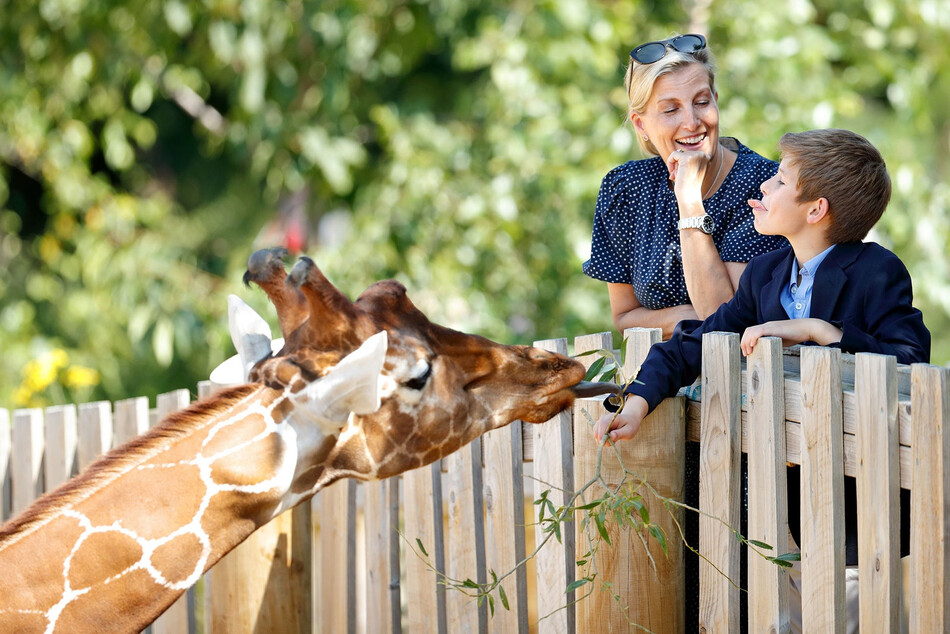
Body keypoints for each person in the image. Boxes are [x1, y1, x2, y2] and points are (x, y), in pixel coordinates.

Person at [594, 128, 931, 632]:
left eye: (777, 181)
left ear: (815, 210)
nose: (762, 189)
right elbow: (698, 342)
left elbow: (910, 361)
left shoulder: (877, 271)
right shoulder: (765, 275)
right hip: (792, 503)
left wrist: (822, 332)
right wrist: (640, 399)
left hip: (867, 514)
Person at [583, 33, 788, 340]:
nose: (691, 122)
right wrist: (684, 315)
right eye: (670, 109)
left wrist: (689, 200)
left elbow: (724, 322)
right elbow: (625, 317)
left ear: (716, 101)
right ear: (641, 124)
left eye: (701, 102)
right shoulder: (623, 188)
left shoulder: (766, 187)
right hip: (659, 377)